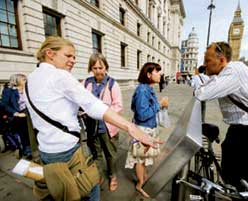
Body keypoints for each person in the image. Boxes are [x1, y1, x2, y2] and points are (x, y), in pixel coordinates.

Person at [25, 36, 160, 201]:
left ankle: (110, 176)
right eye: (68, 56)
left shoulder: (29, 79)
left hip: (47, 150)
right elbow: (91, 105)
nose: (73, 60)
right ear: (50, 54)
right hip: (68, 150)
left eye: (74, 57)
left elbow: (50, 110)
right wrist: (131, 128)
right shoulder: (61, 76)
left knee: (75, 182)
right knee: (90, 189)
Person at [195, 41, 248, 193]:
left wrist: (199, 79)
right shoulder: (225, 73)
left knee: (247, 180)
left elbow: (201, 93)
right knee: (230, 171)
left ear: (222, 60)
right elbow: (207, 85)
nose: (205, 65)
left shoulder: (233, 70)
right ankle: (232, 192)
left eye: (208, 60)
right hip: (240, 129)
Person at [125, 62, 168, 198]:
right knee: (140, 159)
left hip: (148, 128)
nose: (160, 74)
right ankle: (140, 184)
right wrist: (159, 104)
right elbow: (142, 115)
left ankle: (143, 178)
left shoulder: (148, 88)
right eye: (157, 71)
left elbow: (135, 108)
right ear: (149, 74)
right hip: (143, 129)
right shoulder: (143, 90)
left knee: (143, 159)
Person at [82, 53, 123, 192]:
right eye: (95, 68)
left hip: (107, 127)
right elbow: (82, 101)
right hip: (91, 126)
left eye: (101, 67)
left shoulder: (113, 84)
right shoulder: (86, 83)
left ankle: (113, 176)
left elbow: (118, 106)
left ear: (106, 67)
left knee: (110, 154)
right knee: (95, 153)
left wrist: (103, 112)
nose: (98, 70)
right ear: (91, 69)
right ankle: (97, 175)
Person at [1, 73, 31, 159]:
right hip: (16, 114)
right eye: (24, 80)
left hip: (27, 112)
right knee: (23, 127)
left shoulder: (27, 89)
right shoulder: (9, 91)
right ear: (17, 81)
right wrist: (16, 113)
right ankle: (27, 149)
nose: (26, 81)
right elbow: (4, 105)